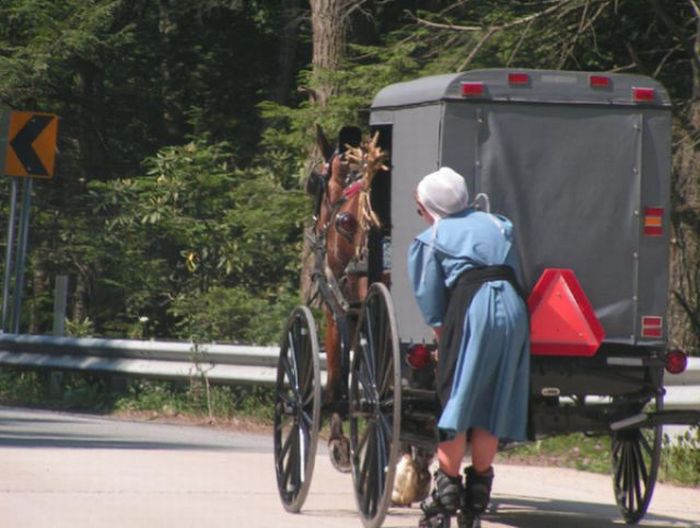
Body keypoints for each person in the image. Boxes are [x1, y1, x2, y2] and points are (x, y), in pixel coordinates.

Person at [408, 167, 530, 528]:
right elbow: (515, 271)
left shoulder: (432, 237)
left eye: (420, 206)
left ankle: (445, 496)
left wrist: (443, 339)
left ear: (430, 206)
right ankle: (476, 498)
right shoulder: (498, 225)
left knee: (456, 396)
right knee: (492, 399)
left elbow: (433, 306)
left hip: (471, 305)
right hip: (513, 308)